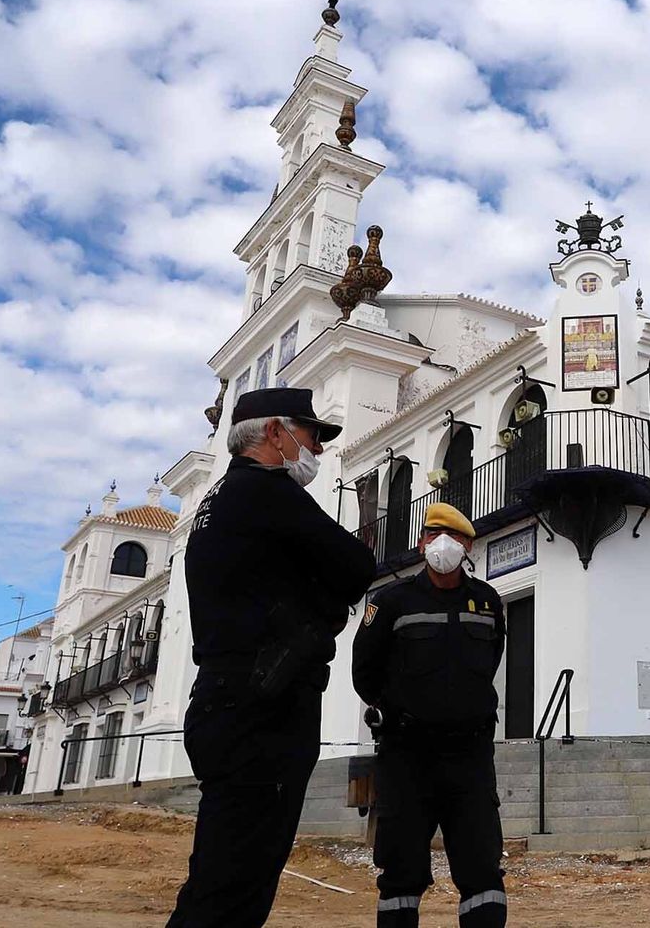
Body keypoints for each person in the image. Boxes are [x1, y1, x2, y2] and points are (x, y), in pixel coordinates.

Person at [166, 387, 378, 928]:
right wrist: (325, 601)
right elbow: (356, 566)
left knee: (221, 876)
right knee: (234, 889)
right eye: (312, 435)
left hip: (226, 699)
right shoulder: (268, 492)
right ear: (276, 433)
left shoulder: (219, 500)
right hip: (264, 710)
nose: (320, 449)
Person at [352, 502, 508, 927]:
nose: (443, 544)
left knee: (481, 868)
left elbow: (490, 661)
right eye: (433, 534)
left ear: (468, 545)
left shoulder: (488, 601)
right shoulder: (391, 602)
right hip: (407, 756)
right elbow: (364, 670)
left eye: (454, 537)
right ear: (421, 542)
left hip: (470, 758)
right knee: (400, 871)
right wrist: (399, 709)